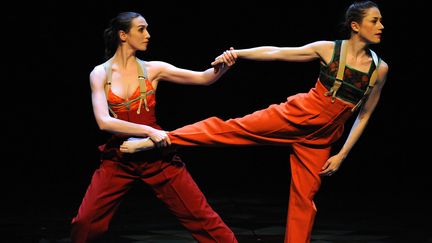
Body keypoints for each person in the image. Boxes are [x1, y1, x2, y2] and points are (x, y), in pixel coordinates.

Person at [119, 1, 388, 242]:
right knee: (228, 129)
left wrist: (341, 154)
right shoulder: (330, 50)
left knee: (304, 200)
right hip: (298, 115)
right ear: (355, 25)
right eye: (374, 20)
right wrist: (238, 53)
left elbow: (364, 115)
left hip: (322, 138)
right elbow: (277, 53)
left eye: (380, 21)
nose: (381, 26)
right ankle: (157, 139)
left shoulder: (379, 68)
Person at [70, 12, 238, 243]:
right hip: (120, 157)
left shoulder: (153, 69)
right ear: (123, 35)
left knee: (202, 218)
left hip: (157, 155)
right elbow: (103, 121)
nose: (148, 35)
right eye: (141, 29)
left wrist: (224, 65)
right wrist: (149, 131)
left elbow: (203, 78)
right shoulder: (100, 73)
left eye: (147, 29)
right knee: (85, 223)